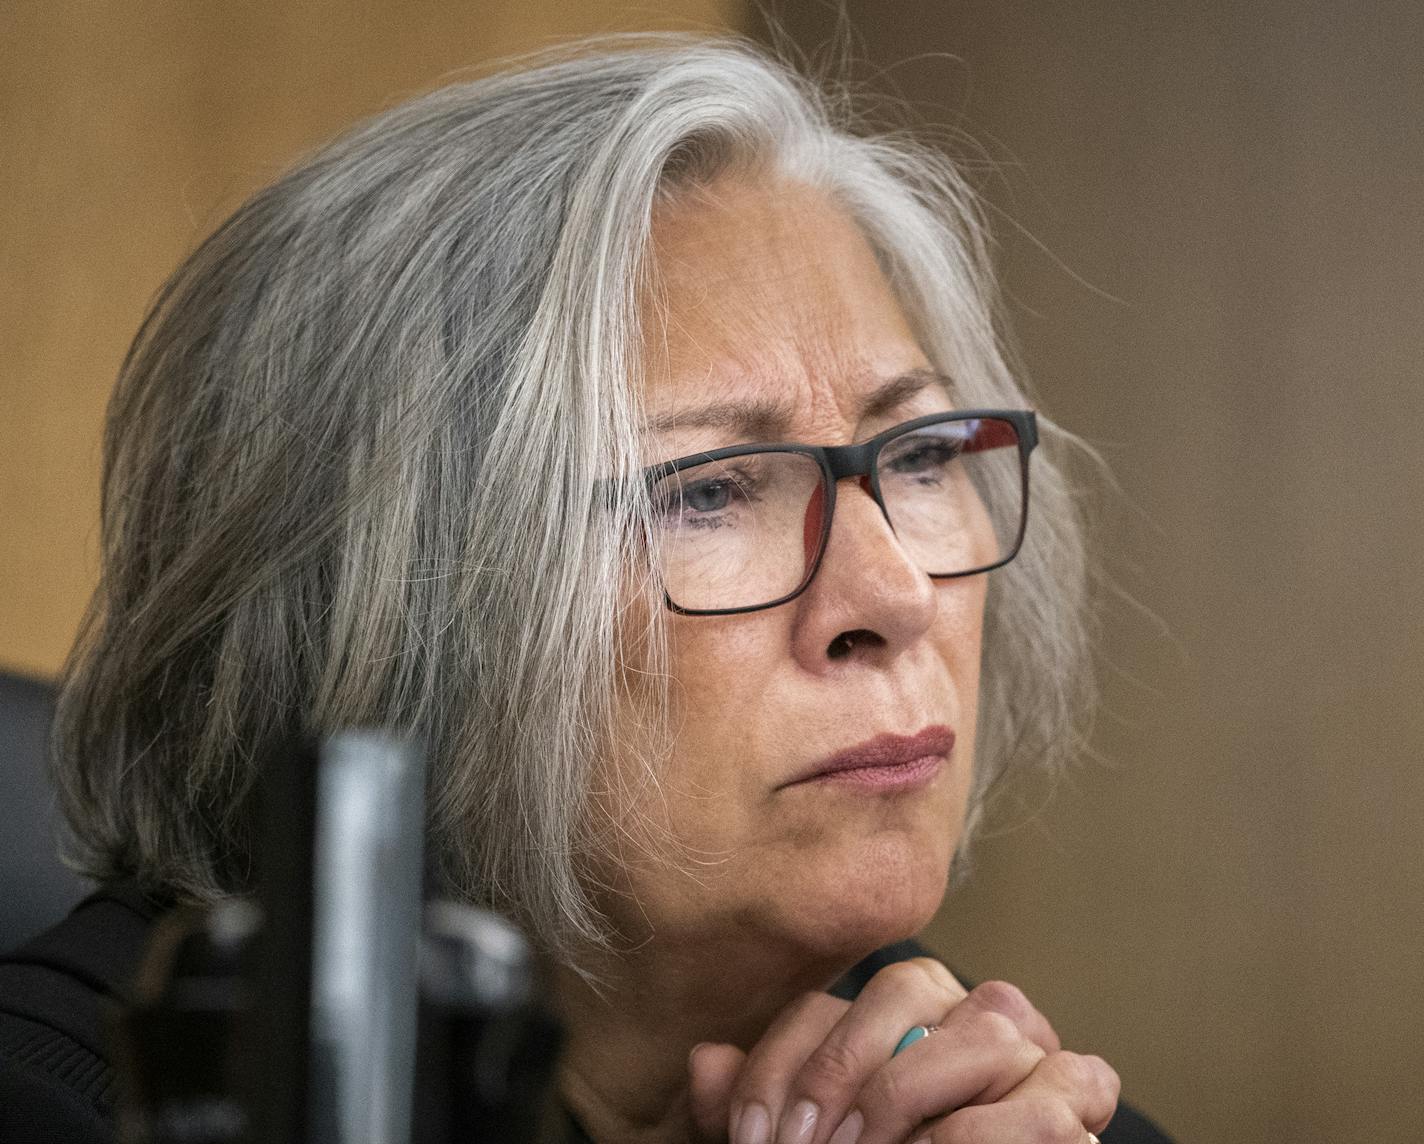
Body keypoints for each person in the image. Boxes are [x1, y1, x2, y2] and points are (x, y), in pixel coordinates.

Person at [0, 35, 1175, 1144]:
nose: (893, 593)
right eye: (707, 492)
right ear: (390, 600)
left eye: (917, 455)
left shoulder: (995, 1101)